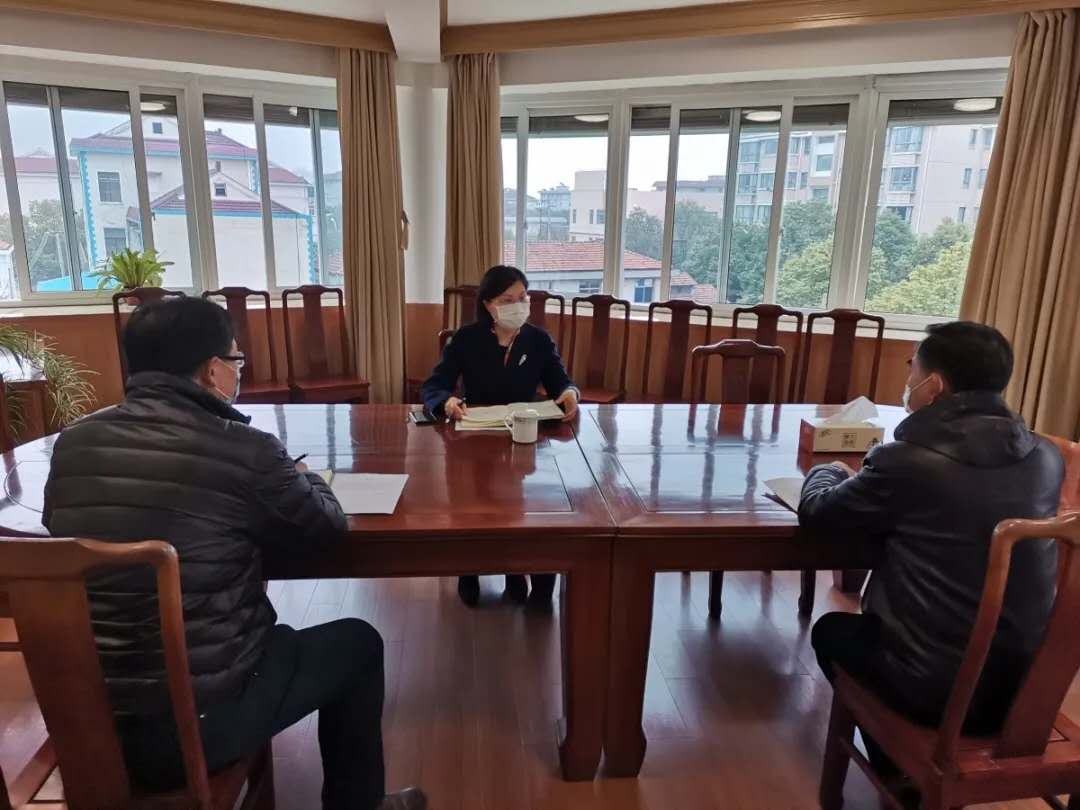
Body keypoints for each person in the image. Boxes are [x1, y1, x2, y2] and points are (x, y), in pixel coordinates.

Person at [43, 297, 424, 810]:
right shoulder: (244, 447)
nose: (239, 370)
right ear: (211, 370)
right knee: (358, 645)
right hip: (194, 727)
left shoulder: (74, 442)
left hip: (86, 722)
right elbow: (326, 528)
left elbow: (60, 529)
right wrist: (310, 478)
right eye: (236, 359)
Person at [800, 321, 1062, 791]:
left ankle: (899, 773)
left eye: (912, 370)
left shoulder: (908, 461)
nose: (908, 381)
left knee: (832, 631)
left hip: (933, 690)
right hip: (1026, 693)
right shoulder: (1045, 456)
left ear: (934, 385)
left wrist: (828, 470)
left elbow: (819, 515)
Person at [421, 265, 580, 608]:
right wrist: (447, 401)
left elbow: (560, 381)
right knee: (475, 507)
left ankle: (526, 577)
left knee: (532, 506)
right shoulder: (466, 339)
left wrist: (569, 393)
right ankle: (469, 570)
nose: (518, 305)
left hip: (525, 436)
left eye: (522, 297)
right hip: (476, 436)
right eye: (507, 300)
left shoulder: (538, 340)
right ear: (488, 304)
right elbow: (435, 385)